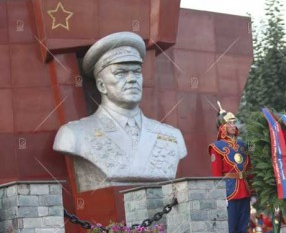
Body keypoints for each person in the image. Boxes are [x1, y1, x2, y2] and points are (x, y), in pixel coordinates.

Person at [54, 32, 187, 191]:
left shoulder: (172, 136)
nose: (132, 79)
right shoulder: (74, 134)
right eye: (121, 73)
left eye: (136, 71)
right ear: (101, 85)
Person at [209, 103, 252, 233]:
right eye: (230, 123)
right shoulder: (216, 147)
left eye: (234, 122)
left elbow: (253, 161)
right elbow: (216, 176)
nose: (234, 125)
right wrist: (220, 197)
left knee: (242, 229)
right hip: (229, 192)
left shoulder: (243, 145)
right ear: (222, 126)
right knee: (231, 229)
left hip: (244, 189)